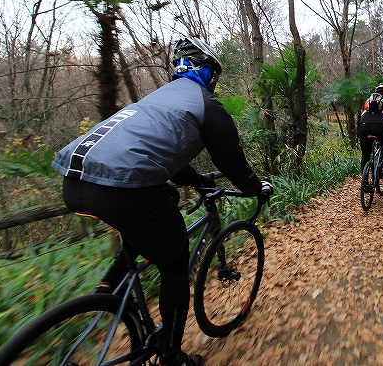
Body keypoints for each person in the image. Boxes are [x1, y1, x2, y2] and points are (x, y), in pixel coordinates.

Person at [52, 37, 272, 366]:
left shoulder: (156, 101)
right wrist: (257, 188)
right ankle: (171, 355)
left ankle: (108, 285)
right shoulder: (206, 106)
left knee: (161, 199)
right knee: (173, 264)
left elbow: (157, 151)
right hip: (121, 188)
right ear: (210, 73)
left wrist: (195, 180)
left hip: (74, 180)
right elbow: (232, 163)